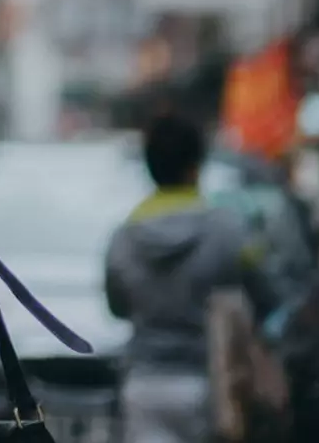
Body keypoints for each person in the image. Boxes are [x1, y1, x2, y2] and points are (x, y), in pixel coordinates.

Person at [104, 114, 273, 443]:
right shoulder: (228, 231)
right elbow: (265, 294)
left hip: (143, 387)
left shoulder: (124, 238)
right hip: (212, 382)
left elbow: (116, 306)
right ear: (196, 166)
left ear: (151, 168)